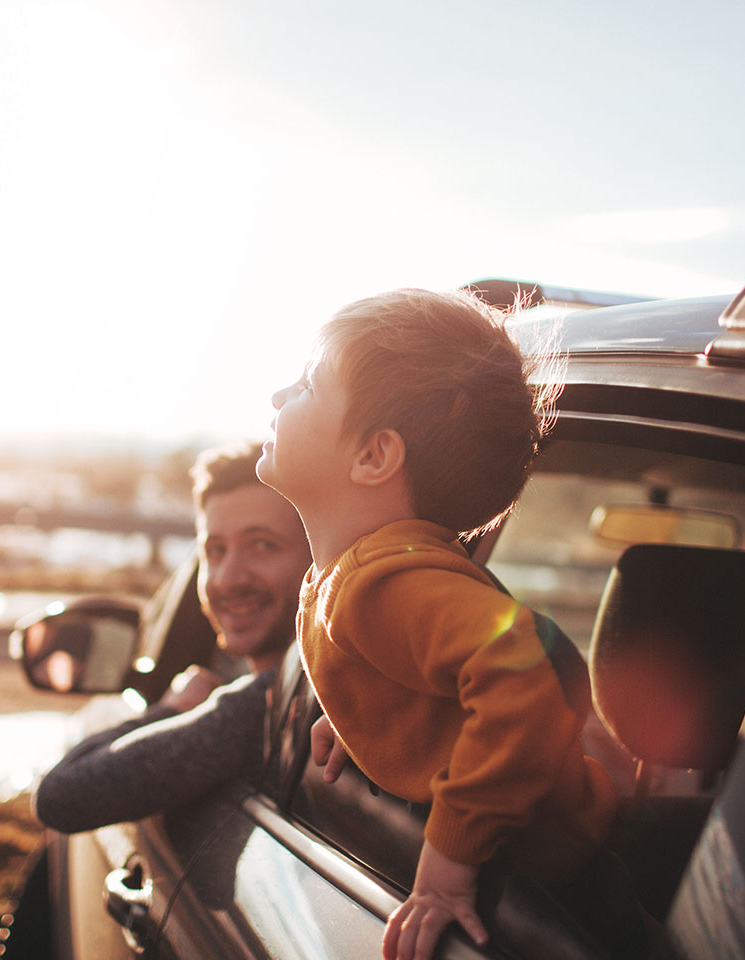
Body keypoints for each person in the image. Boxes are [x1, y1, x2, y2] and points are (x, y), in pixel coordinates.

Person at [256, 288, 632, 960]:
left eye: (308, 383)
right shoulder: (369, 575)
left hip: (574, 873)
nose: (278, 395)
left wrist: (450, 855)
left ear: (374, 456)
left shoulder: (385, 584)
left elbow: (524, 680)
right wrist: (373, 711)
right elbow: (432, 664)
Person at [31, 439, 312, 832]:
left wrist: (173, 710)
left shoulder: (267, 707)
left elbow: (62, 797)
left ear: (319, 560)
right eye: (214, 551)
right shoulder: (297, 700)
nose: (227, 578)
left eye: (262, 545)